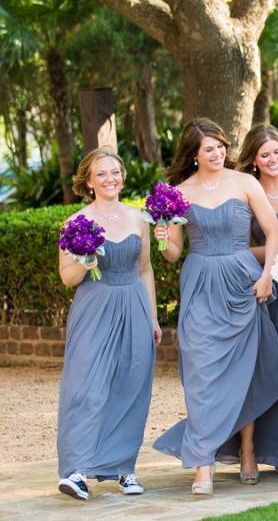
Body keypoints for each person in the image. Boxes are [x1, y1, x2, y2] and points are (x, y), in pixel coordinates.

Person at [152, 118, 278, 495]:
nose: (217, 154)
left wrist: (266, 275)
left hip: (243, 281)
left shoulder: (245, 183)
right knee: (201, 374)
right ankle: (203, 461)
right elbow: (174, 253)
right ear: (193, 155)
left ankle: (247, 449)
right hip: (200, 284)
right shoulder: (178, 193)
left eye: (220, 146)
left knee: (245, 371)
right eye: (208, 149)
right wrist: (164, 239)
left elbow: (273, 231)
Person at [56, 148, 159, 500]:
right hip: (94, 307)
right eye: (101, 173)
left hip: (133, 305)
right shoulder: (75, 222)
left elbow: (145, 269)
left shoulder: (138, 218)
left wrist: (153, 318)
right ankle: (76, 470)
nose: (110, 178)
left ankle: (123, 468)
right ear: (88, 180)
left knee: (131, 385)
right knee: (85, 387)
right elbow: (68, 278)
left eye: (115, 172)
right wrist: (84, 260)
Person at [217, 125, 278, 479]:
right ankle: (249, 449)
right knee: (261, 368)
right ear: (254, 160)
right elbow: (240, 247)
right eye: (265, 154)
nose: (273, 159)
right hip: (262, 287)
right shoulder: (246, 190)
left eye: (277, 152)